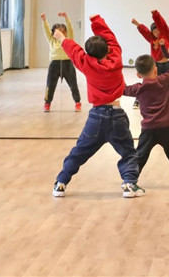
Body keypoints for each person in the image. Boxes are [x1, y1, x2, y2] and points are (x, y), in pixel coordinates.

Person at [52, 14, 144, 199]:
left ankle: (61, 183)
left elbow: (73, 50)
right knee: (128, 153)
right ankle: (129, 184)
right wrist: (96, 21)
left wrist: (61, 37)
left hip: (96, 117)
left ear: (88, 54)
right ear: (108, 49)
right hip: (117, 116)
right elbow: (111, 38)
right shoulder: (116, 57)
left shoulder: (86, 63)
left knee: (79, 152)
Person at [123, 44, 169, 190]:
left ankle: (130, 180)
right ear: (155, 69)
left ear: (138, 75)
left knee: (140, 155)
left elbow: (123, 89)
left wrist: (114, 74)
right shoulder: (163, 81)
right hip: (166, 127)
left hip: (148, 129)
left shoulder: (138, 88)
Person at [40, 12, 82, 112]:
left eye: (63, 31)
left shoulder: (68, 40)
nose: (61, 33)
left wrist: (66, 18)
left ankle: (77, 102)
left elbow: (70, 29)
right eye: (58, 31)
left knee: (73, 84)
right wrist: (44, 21)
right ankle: (47, 103)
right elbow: (46, 31)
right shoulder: (51, 40)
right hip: (54, 65)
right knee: (50, 85)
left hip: (67, 64)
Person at [132, 10, 169, 109]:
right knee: (148, 83)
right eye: (154, 31)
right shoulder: (151, 38)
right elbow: (145, 31)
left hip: (166, 64)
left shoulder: (165, 35)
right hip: (155, 65)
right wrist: (137, 24)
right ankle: (137, 100)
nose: (156, 33)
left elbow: (163, 25)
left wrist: (156, 15)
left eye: (158, 30)